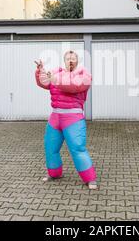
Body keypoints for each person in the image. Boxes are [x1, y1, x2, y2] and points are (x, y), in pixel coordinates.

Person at [34, 51, 98, 190]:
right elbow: (45, 82)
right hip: (55, 117)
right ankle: (54, 173)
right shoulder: (56, 72)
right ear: (64, 60)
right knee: (50, 148)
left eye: (73, 58)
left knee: (78, 149)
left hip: (73, 118)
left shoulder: (84, 74)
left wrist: (55, 79)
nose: (70, 60)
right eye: (68, 58)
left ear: (77, 60)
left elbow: (74, 86)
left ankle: (90, 179)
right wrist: (40, 71)